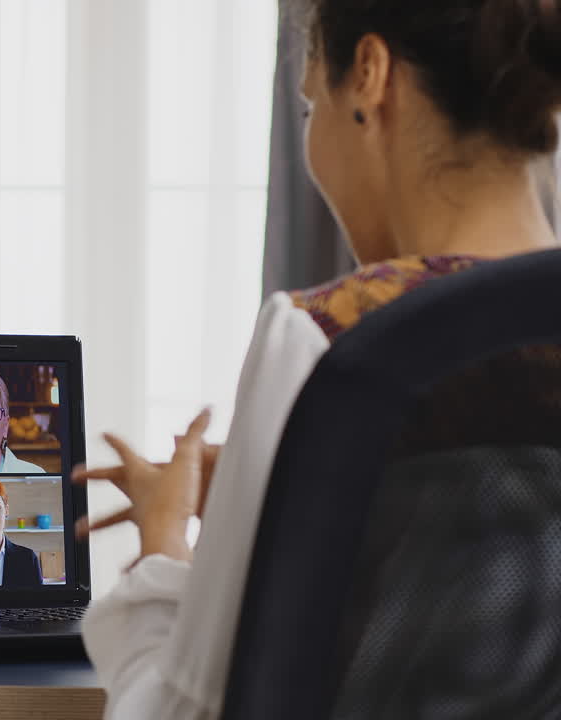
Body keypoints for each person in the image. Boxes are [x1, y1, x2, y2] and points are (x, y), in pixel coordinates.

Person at [73, 1, 561, 717]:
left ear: (369, 74)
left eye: (309, 108)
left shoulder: (324, 339)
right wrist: (291, 501)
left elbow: (183, 711)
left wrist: (163, 546)